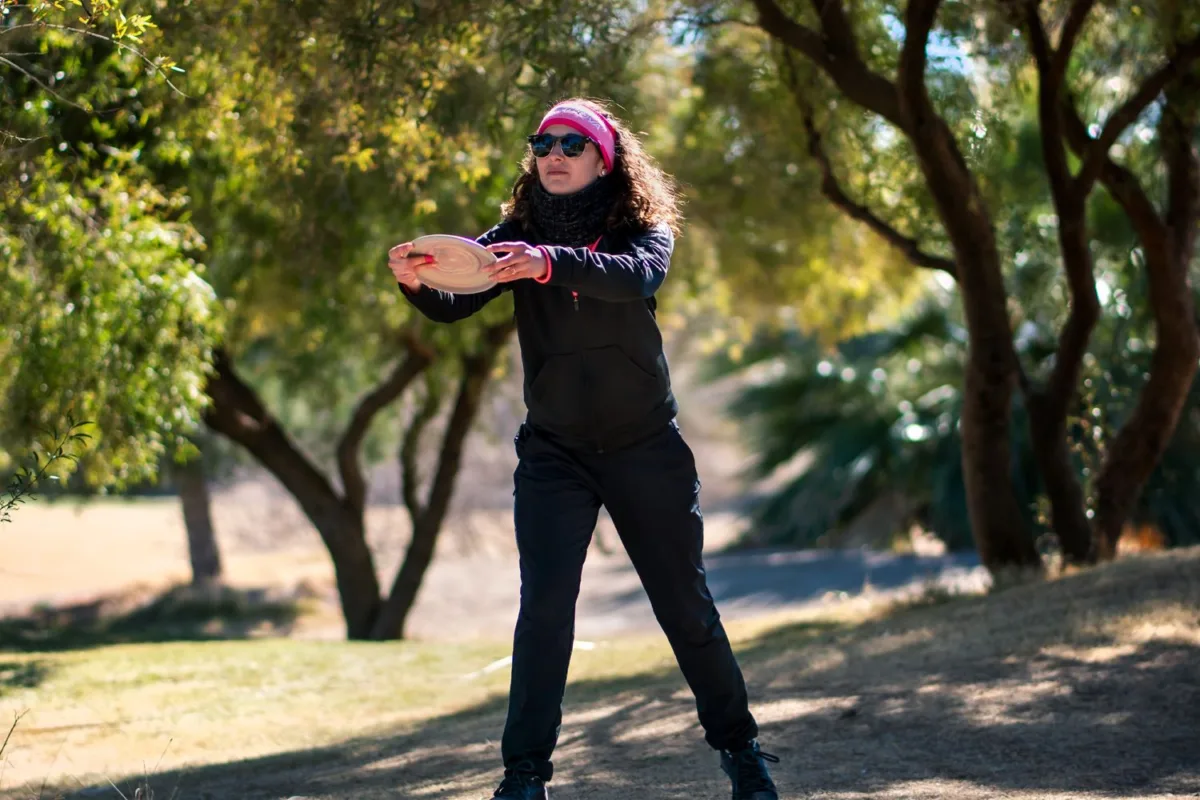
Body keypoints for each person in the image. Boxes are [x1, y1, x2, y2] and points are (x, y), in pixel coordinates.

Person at [387, 98, 780, 800]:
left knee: (684, 607)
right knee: (544, 611)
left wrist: (544, 263)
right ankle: (524, 776)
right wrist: (416, 281)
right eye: (543, 144)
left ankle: (742, 751)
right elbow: (457, 300)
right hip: (555, 455)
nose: (554, 154)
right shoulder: (514, 232)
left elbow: (635, 279)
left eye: (572, 142)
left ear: (605, 156)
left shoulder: (642, 229)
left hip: (644, 449)